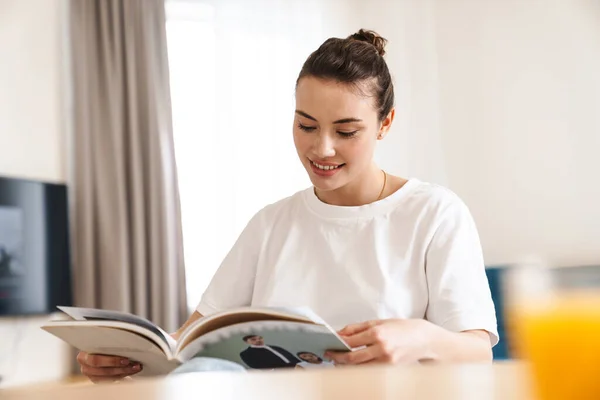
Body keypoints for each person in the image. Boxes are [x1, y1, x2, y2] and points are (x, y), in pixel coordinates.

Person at [76, 28, 498, 382]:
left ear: (385, 123)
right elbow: (186, 344)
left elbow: (478, 353)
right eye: (306, 125)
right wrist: (125, 359)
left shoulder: (435, 213)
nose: (322, 148)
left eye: (346, 131)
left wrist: (421, 337)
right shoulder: (271, 224)